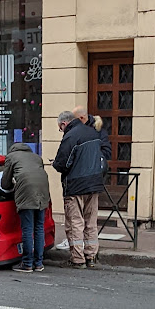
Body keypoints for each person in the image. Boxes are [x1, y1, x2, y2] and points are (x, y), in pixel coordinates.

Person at [53, 111, 111, 269]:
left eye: (60, 128)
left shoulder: (71, 136)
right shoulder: (93, 132)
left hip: (76, 186)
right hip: (94, 184)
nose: (61, 131)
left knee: (75, 222)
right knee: (91, 222)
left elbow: (61, 163)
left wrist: (55, 164)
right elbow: (103, 156)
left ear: (64, 124)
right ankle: (91, 256)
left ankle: (78, 259)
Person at [1, 143, 51, 273]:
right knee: (39, 227)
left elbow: (5, 183)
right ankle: (39, 263)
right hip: (43, 192)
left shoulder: (11, 157)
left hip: (27, 193)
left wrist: (12, 183)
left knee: (27, 229)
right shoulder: (36, 157)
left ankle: (27, 263)